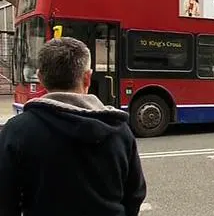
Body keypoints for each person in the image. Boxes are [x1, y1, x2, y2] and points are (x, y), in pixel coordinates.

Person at [0, 37, 146, 216]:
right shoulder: (120, 130)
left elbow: (6, 200)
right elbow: (135, 194)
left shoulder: (17, 130)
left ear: (40, 78)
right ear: (87, 78)